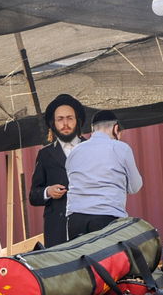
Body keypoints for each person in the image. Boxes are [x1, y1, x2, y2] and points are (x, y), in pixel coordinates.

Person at [65, 110, 143, 238]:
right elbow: (135, 186)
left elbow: (72, 179)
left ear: (92, 129)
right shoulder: (120, 148)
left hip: (75, 219)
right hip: (107, 216)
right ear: (116, 128)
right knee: (106, 258)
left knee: (79, 257)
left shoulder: (75, 151)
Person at [29, 94, 84, 245]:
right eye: (60, 119)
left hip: (88, 225)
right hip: (57, 229)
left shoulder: (91, 148)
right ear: (53, 123)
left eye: (69, 118)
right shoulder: (45, 154)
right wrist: (48, 191)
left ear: (77, 121)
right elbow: (33, 195)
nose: (65, 123)